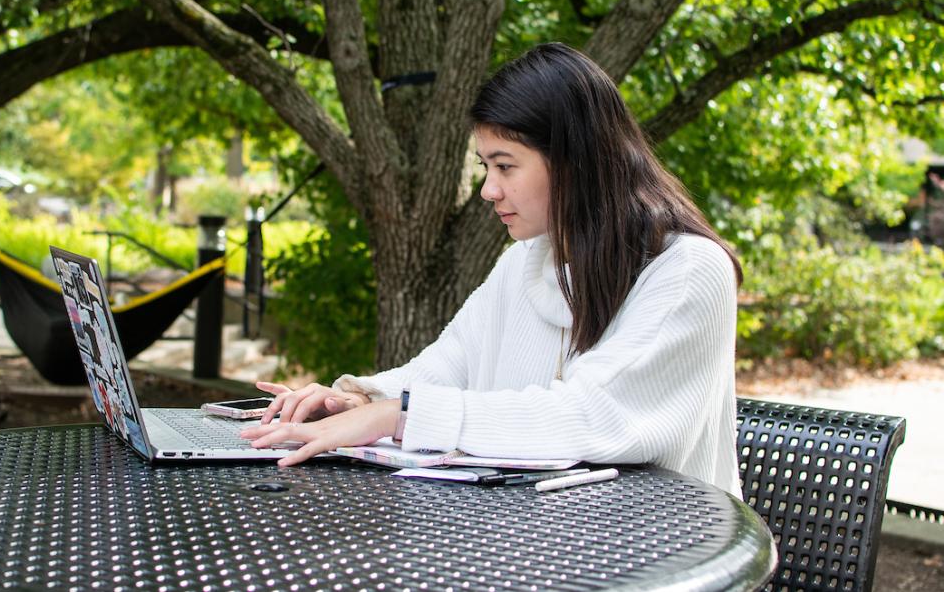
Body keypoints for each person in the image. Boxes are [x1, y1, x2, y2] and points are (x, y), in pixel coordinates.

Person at [241, 42, 744, 495]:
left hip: (657, 556)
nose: (489, 190)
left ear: (575, 161)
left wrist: (398, 416)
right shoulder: (526, 260)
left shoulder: (688, 270)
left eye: (505, 166)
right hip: (531, 543)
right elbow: (447, 366)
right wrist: (356, 400)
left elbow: (592, 415)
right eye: (485, 167)